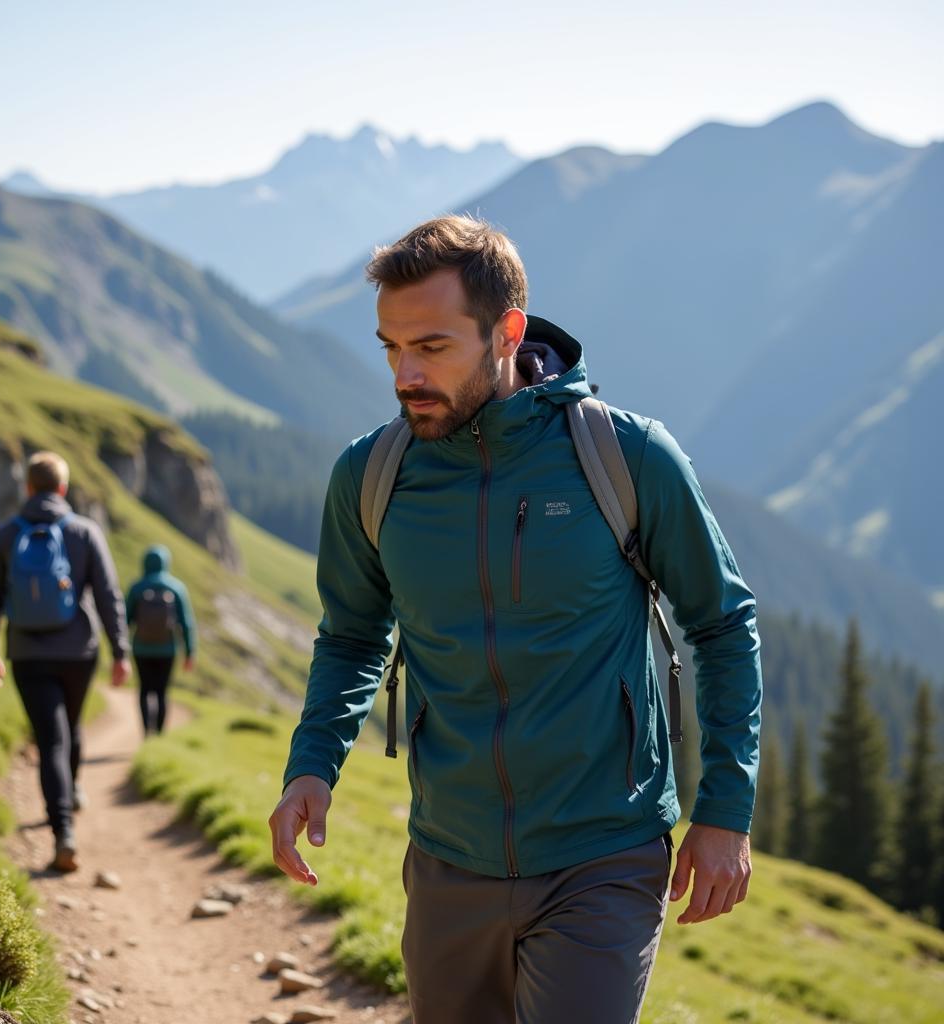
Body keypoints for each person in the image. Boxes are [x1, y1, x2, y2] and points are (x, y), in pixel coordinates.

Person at [268, 216, 762, 1023]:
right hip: (446, 858)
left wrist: (726, 809)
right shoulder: (372, 475)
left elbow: (722, 621)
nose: (404, 374)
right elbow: (354, 635)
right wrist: (311, 765)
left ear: (508, 332)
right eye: (391, 348)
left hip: (604, 852)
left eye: (431, 347)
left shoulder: (626, 457)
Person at [0, 451, 131, 873]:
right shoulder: (84, 531)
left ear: (28, 487)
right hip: (79, 651)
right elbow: (107, 594)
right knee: (71, 727)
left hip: (27, 654)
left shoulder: (8, 534)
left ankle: (62, 830)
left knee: (51, 740)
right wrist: (121, 651)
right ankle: (72, 792)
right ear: (62, 488)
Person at [125, 545, 195, 735]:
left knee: (144, 690)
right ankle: (159, 734)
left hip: (141, 649)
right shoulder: (176, 587)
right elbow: (186, 623)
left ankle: (146, 732)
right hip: (168, 650)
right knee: (162, 692)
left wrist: (120, 651)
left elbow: (125, 619)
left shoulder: (137, 587)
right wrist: (190, 652)